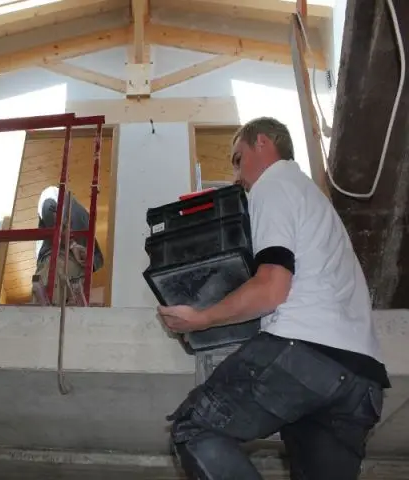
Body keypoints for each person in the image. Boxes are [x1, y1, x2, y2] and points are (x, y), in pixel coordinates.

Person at [157, 117, 390, 480]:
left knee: (195, 427)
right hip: (362, 381)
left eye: (237, 159)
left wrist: (201, 319)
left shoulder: (273, 183)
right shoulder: (313, 199)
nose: (238, 176)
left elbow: (271, 288)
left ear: (262, 142)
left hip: (306, 355)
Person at [33, 186, 104, 305]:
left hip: (57, 259)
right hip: (78, 276)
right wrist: (88, 260)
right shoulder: (86, 217)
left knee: (43, 311)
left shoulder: (54, 192)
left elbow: (48, 211)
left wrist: (72, 245)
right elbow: (99, 259)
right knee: (67, 316)